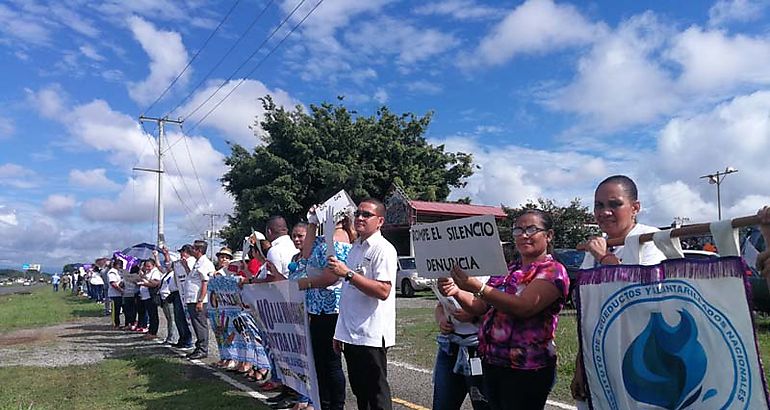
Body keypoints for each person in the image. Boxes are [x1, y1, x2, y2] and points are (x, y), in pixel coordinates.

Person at [439, 209, 569, 409]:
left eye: (531, 229)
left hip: (527, 368)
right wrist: (456, 291)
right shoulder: (509, 269)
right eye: (518, 230)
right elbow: (480, 307)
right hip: (493, 362)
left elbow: (524, 307)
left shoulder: (552, 271)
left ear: (548, 235)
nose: (524, 235)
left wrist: (479, 287)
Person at [570, 175, 666, 404]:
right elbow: (588, 315)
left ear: (635, 208)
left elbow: (642, 298)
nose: (604, 212)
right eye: (599, 205)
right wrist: (580, 366)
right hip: (600, 360)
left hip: (641, 361)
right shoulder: (594, 248)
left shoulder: (649, 241)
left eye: (615, 204)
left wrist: (605, 258)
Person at [327, 198, 397, 410]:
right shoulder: (356, 247)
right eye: (357, 213)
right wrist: (340, 332)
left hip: (371, 334)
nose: (359, 218)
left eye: (367, 214)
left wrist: (347, 274)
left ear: (380, 221)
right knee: (360, 393)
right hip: (352, 333)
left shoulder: (383, 249)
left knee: (376, 395)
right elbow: (348, 295)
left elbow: (383, 290)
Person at [292, 207, 355, 410]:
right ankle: (323, 403)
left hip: (332, 307)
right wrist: (311, 223)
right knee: (319, 361)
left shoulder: (340, 238)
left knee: (330, 362)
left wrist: (307, 283)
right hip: (317, 307)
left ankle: (336, 405)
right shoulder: (323, 236)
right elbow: (307, 253)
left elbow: (333, 276)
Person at [432, 285, 489, 410]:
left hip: (480, 349)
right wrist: (441, 319)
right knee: (442, 404)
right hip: (451, 346)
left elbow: (501, 310)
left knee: (484, 405)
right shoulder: (450, 274)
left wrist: (475, 315)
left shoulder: (489, 273)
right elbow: (441, 306)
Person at [185, 240, 214, 359]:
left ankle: (203, 349)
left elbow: (205, 283)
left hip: (198, 299)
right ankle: (199, 347)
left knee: (200, 324)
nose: (191, 250)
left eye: (194, 248)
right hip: (192, 299)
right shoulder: (197, 263)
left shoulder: (204, 263)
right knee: (195, 324)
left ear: (199, 250)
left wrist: (200, 300)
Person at [164, 244, 194, 350]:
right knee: (178, 318)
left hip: (186, 293)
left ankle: (188, 341)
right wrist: (166, 254)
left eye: (183, 251)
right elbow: (168, 266)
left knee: (185, 318)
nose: (181, 254)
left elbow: (192, 276)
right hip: (178, 292)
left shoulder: (192, 261)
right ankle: (182, 339)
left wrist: (185, 265)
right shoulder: (178, 263)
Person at [263, 216, 300, 281]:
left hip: (284, 289)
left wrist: (250, 281)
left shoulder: (274, 251)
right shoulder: (296, 246)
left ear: (269, 232)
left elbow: (273, 279)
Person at [137, 259, 162, 340]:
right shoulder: (148, 272)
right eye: (146, 266)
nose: (147, 268)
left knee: (153, 315)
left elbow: (155, 283)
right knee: (150, 315)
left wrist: (145, 282)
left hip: (151, 296)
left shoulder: (155, 272)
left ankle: (153, 332)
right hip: (145, 296)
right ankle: (150, 331)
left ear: (153, 265)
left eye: (149, 266)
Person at [107, 259, 124, 329]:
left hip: (119, 294)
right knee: (116, 310)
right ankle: (116, 324)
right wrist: (121, 290)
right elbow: (113, 284)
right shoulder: (112, 272)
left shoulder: (118, 272)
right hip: (114, 294)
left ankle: (119, 323)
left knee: (120, 309)